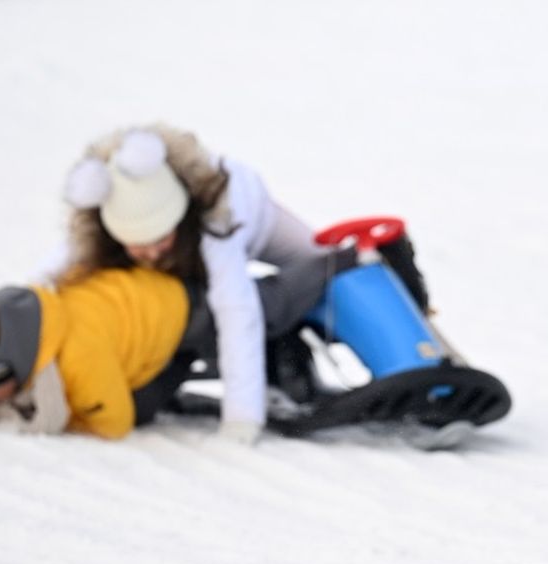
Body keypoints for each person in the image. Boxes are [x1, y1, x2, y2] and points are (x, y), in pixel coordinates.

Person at [56, 124, 429, 444]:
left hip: (255, 220)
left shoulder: (215, 225)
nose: (152, 253)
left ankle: (403, 312)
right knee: (193, 309)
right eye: (139, 246)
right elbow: (57, 270)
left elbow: (239, 313)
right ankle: (281, 358)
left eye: (160, 240)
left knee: (324, 270)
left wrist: (240, 421)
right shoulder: (103, 223)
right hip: (194, 256)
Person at [0, 268, 189, 439]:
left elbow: (114, 423)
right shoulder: (17, 339)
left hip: (174, 310)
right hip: (125, 289)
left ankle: (176, 371)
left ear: (12, 367)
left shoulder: (78, 358)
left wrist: (66, 413)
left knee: (140, 405)